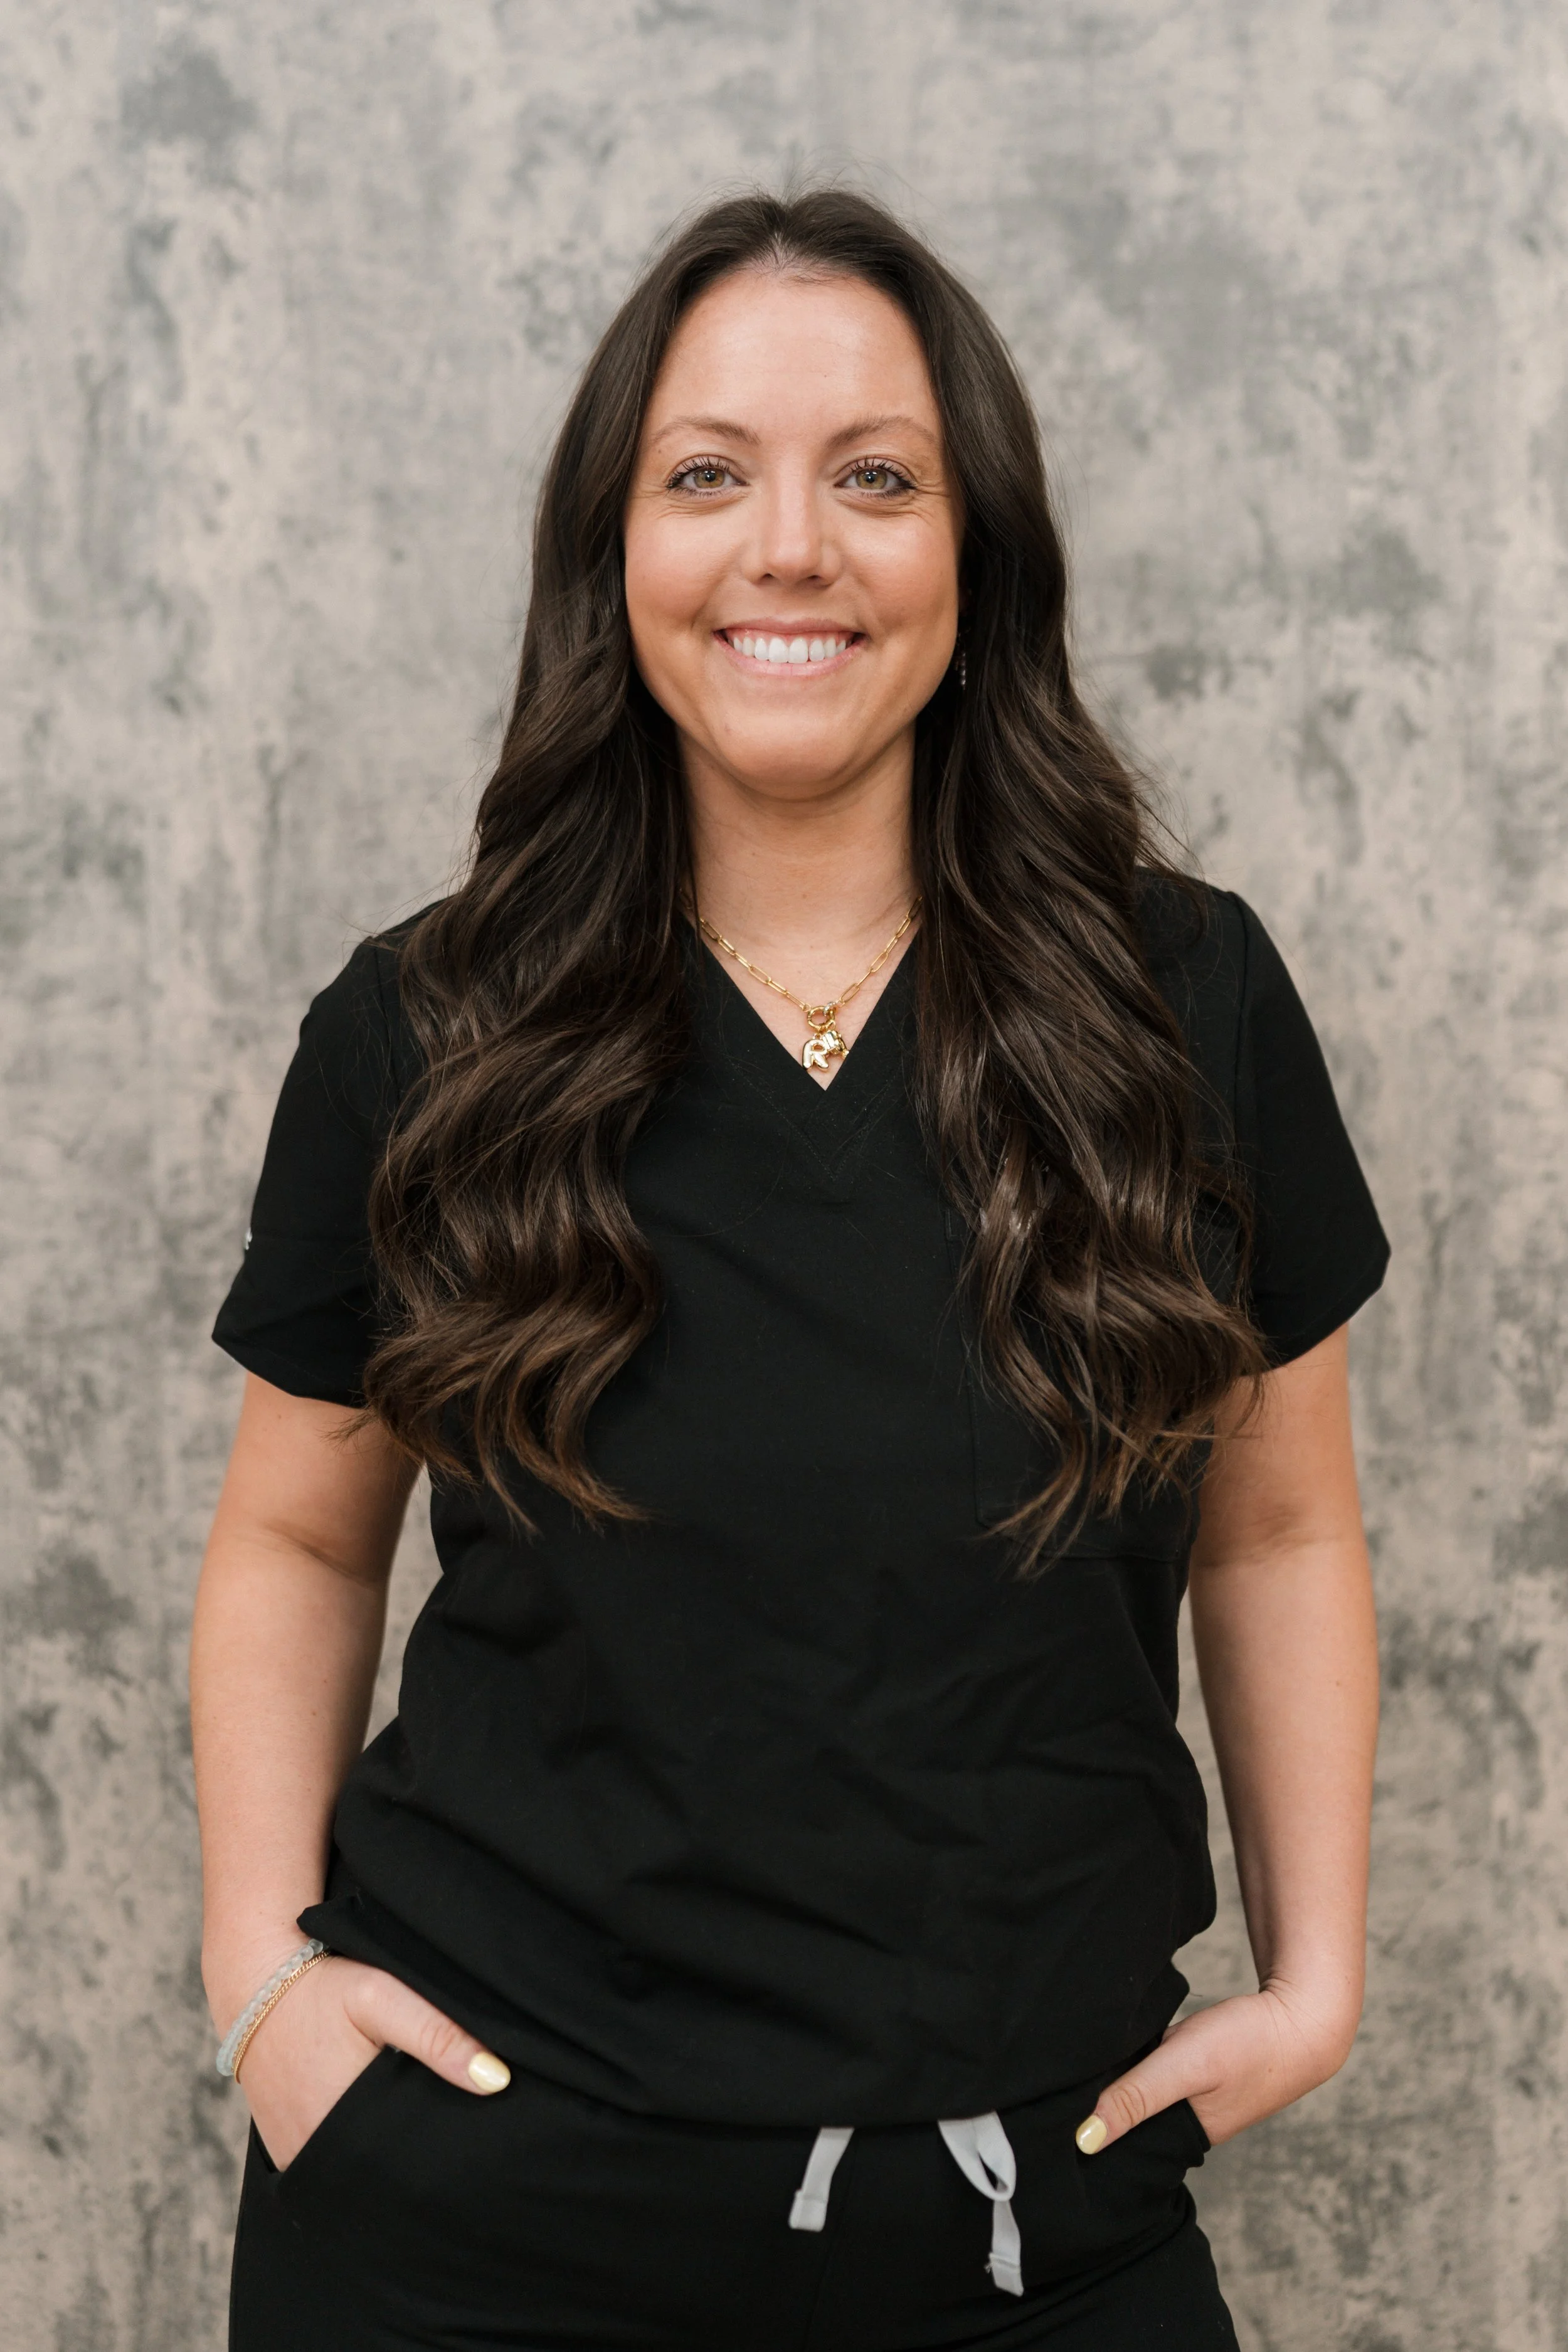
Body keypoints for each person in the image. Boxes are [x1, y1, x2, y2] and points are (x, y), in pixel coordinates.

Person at [193, 188, 1389, 2351]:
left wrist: (1316, 1981)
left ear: (976, 552)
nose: (789, 549)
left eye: (876, 478)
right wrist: (260, 1982)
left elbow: (1279, 1523)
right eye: (705, 475)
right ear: (611, 554)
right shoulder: (428, 1028)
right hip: (469, 2229)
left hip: (1033, 2228)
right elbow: (293, 1536)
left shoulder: (1180, 1002)